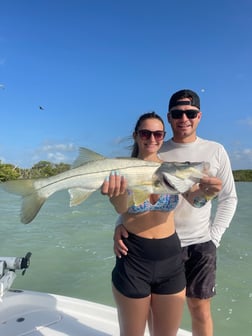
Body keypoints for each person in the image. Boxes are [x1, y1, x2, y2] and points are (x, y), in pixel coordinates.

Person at [106, 89, 237, 336]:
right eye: (178, 113)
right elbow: (130, 199)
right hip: (142, 250)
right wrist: (118, 226)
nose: (184, 118)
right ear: (170, 117)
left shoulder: (215, 150)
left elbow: (208, 199)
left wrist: (214, 234)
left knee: (199, 310)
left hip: (195, 243)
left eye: (190, 113)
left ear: (199, 116)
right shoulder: (159, 152)